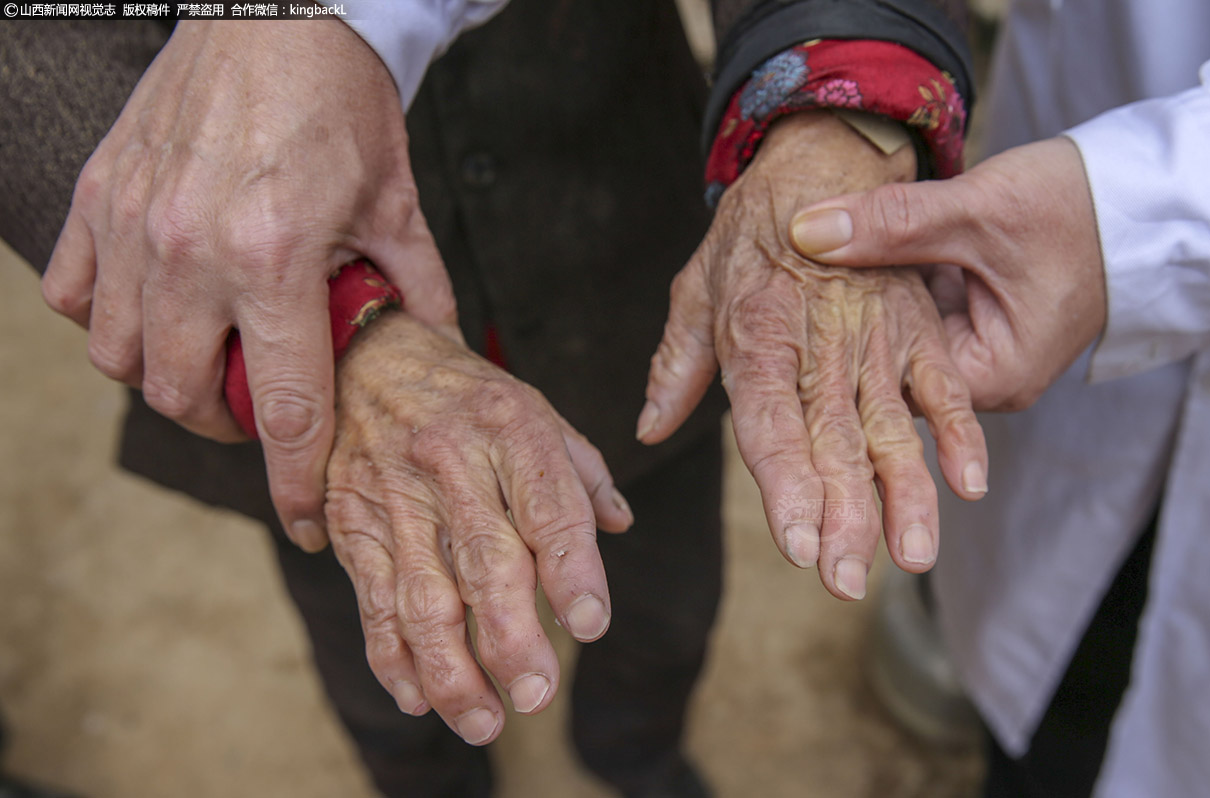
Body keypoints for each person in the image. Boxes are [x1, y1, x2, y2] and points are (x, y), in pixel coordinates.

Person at [3, 1, 989, 795]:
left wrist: (827, 126)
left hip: (618, 239)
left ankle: (631, 756)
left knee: (663, 604)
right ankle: (425, 782)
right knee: (382, 639)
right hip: (271, 346)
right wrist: (329, 328)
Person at [789, 1, 1210, 795]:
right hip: (1053, 190)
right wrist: (828, 85)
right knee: (1040, 671)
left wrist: (1121, 216)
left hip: (1064, 211)